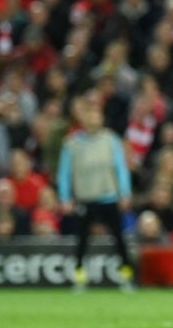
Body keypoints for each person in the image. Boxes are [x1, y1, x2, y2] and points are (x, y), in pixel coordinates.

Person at [56, 100, 135, 290]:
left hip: (108, 196)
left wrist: (125, 193)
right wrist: (65, 197)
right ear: (82, 118)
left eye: (96, 115)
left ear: (101, 118)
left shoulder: (111, 140)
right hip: (85, 197)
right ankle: (79, 277)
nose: (93, 119)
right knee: (82, 240)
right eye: (89, 115)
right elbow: (64, 173)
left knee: (119, 238)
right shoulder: (72, 144)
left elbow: (120, 168)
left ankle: (127, 276)